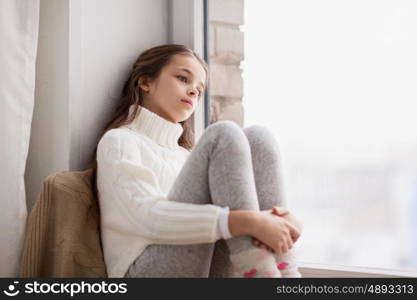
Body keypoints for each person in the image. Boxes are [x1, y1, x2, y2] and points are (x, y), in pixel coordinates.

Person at [91, 44, 303, 278]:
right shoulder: (120, 141)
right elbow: (147, 219)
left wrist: (285, 224)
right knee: (223, 134)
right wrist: (249, 221)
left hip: (199, 270)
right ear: (145, 82)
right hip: (143, 272)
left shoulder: (185, 156)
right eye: (183, 78)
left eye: (199, 90)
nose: (193, 91)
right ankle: (261, 273)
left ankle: (286, 270)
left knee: (259, 137)